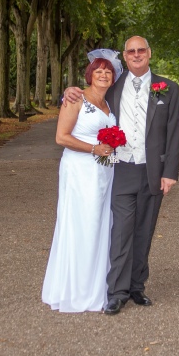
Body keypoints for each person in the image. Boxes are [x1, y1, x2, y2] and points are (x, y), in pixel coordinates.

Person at [63, 36, 179, 315]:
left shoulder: (168, 88)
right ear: (125, 57)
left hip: (153, 171)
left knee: (145, 230)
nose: (136, 55)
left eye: (141, 50)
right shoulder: (114, 87)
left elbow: (175, 131)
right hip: (121, 170)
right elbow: (88, 98)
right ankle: (117, 292)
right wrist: (69, 91)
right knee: (120, 231)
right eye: (131, 51)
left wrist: (169, 172)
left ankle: (137, 287)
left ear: (149, 53)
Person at [41, 49, 123, 312]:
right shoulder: (75, 98)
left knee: (99, 224)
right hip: (79, 170)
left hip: (104, 172)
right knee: (82, 224)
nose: (103, 75)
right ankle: (76, 290)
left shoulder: (109, 103)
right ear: (90, 74)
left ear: (113, 77)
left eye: (108, 71)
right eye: (98, 70)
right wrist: (94, 149)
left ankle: (98, 287)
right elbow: (61, 137)